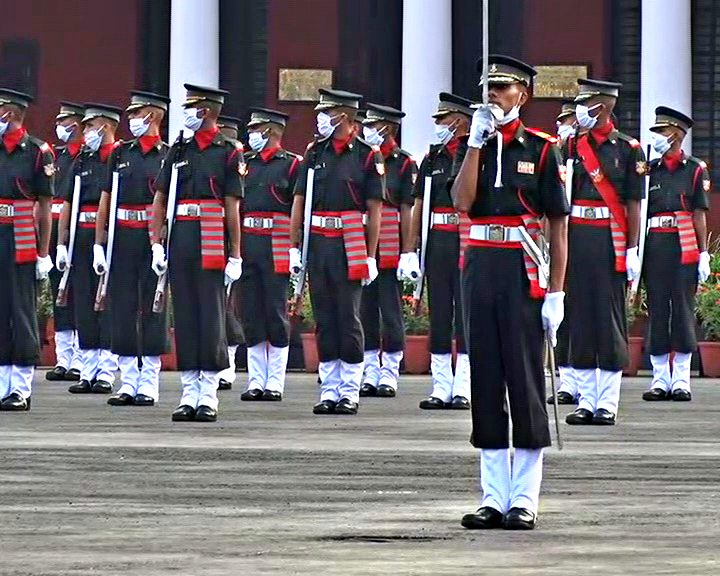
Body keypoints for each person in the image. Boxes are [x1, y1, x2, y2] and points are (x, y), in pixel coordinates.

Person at [452, 55, 569, 530]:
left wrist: (556, 293)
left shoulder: (541, 150)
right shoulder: (471, 144)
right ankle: (492, 496)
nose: (492, 96)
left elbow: (558, 227)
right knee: (485, 381)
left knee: (523, 380)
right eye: (487, 89)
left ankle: (524, 497)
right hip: (480, 267)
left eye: (501, 88)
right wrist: (477, 144)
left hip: (522, 271)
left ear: (523, 94)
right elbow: (462, 202)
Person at [150, 84, 244, 422]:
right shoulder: (179, 150)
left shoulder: (229, 153)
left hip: (212, 238)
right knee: (186, 316)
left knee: (211, 317)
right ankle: (189, 392)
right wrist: (156, 243)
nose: (187, 114)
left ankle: (208, 394)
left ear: (206, 112)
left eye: (192, 108)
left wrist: (235, 254)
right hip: (181, 237)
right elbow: (160, 198)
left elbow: (232, 207)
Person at [290, 88, 384, 415]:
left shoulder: (367, 157)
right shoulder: (315, 154)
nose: (320, 119)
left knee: (349, 316)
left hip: (351, 243)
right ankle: (328, 387)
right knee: (325, 316)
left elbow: (374, 211)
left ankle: (349, 389)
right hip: (319, 242)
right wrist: (294, 247)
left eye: (326, 113)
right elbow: (299, 202)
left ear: (344, 116)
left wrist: (371, 255)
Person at [563, 79, 646, 426]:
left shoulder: (629, 149)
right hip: (577, 233)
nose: (580, 108)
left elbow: (633, 204)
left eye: (586, 102)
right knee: (579, 316)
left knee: (609, 318)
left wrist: (632, 248)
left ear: (603, 106)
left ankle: (607, 402)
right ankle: (585, 399)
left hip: (610, 237)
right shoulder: (571, 146)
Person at [96, 91, 171, 407]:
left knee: (153, 308)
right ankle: (128, 380)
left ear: (152, 116)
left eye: (136, 114)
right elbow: (105, 200)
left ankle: (149, 381)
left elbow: (167, 204)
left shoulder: (168, 155)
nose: (131, 121)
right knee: (123, 306)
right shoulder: (120, 154)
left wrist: (160, 243)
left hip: (152, 238)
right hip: (123, 236)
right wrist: (100, 244)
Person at [409, 93, 474, 411]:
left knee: (464, 315)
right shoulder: (432, 158)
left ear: (459, 121)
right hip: (438, 241)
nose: (438, 126)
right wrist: (411, 249)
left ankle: (463, 386)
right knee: (439, 315)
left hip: (465, 241)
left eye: (443, 120)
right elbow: (418, 205)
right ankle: (440, 385)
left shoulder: (475, 153)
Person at [641, 107, 710, 402]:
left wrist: (704, 252)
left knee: (682, 309)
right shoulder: (648, 170)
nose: (657, 137)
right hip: (656, 243)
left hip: (684, 245)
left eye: (662, 132)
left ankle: (681, 378)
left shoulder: (694, 169)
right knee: (657, 309)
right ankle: (659, 378)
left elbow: (698, 213)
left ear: (677, 135)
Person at [58, 103, 121, 395]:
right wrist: (61, 244)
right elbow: (69, 202)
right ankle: (88, 369)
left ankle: (107, 370)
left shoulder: (119, 156)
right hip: (81, 236)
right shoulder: (82, 159)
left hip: (110, 235)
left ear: (105, 126)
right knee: (83, 301)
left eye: (89, 126)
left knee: (107, 303)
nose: (85, 132)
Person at [237, 107, 300, 402]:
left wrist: (294, 248)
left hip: (276, 241)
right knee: (250, 311)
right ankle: (255, 380)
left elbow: (296, 207)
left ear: (271, 131)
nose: (251, 135)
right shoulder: (244, 163)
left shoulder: (290, 165)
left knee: (275, 310)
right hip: (249, 239)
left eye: (256, 129)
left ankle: (274, 381)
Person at [0, 88, 55, 411]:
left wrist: (43, 253)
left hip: (21, 235)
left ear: (11, 113)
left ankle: (19, 385)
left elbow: (44, 206)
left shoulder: (36, 151)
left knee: (21, 310)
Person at [359, 103, 417, 398]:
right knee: (365, 307)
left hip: (391, 237)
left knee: (390, 307)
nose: (367, 130)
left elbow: (407, 208)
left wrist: (408, 250)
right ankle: (369, 368)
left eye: (374, 125)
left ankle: (390, 369)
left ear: (388, 128)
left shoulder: (403, 163)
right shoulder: (364, 157)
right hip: (361, 236)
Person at [46, 101, 85, 382]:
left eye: (66, 121)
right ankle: (64, 358)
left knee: (81, 292)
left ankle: (82, 360)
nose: (60, 127)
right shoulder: (57, 157)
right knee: (59, 293)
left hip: (78, 228)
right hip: (55, 228)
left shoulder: (87, 157)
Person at [548, 99, 579, 405]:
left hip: (585, 244)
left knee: (585, 314)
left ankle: (587, 380)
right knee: (563, 317)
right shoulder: (554, 154)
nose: (564, 127)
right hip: (558, 243)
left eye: (569, 121)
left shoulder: (595, 156)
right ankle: (566, 380)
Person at [216, 115, 244, 391]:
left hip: (241, 242)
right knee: (220, 305)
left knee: (232, 304)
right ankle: (221, 361)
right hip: (213, 238)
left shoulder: (237, 162)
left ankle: (229, 360)